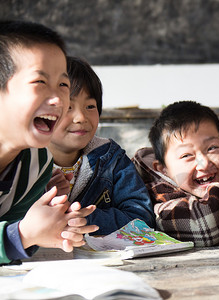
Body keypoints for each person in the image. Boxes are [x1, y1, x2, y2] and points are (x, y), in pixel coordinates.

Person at [0, 20, 97, 265]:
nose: (57, 99)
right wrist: (22, 234)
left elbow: (11, 247)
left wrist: (49, 229)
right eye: (39, 82)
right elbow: (16, 235)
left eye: (63, 85)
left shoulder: (39, 162)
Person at [47, 56, 155, 235]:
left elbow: (141, 218)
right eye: (68, 107)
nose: (81, 117)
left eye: (90, 106)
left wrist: (83, 219)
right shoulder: (23, 162)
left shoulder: (111, 159)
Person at [132, 101, 219, 246]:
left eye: (212, 148)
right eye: (187, 155)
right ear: (163, 169)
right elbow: (205, 227)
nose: (204, 163)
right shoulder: (157, 192)